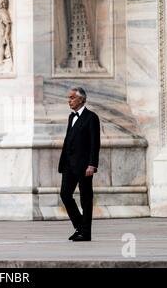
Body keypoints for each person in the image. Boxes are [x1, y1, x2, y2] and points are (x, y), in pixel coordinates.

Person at [58, 87, 100, 242]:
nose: (69, 101)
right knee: (65, 195)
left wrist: (92, 164)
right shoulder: (71, 117)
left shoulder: (91, 117)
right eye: (68, 98)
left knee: (85, 199)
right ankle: (80, 226)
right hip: (69, 165)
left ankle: (85, 233)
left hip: (84, 166)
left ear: (81, 99)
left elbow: (95, 144)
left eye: (72, 98)